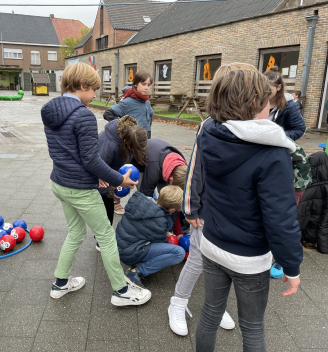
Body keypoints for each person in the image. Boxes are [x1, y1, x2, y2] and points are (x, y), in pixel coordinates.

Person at [194, 69, 302, 352]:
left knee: (209, 313)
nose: (272, 105)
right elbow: (280, 218)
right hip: (249, 257)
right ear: (254, 102)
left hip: (212, 243)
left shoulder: (208, 132)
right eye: (268, 100)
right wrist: (291, 265)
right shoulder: (273, 153)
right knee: (252, 326)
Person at [41, 62, 151, 306]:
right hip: (80, 189)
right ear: (82, 86)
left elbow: (69, 153)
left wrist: (94, 172)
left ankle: (60, 284)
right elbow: (91, 160)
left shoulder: (50, 111)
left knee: (76, 232)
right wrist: (119, 179)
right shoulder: (83, 116)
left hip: (60, 183)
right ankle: (121, 291)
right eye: (93, 91)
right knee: (106, 236)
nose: (94, 97)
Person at [168, 63, 256, 337]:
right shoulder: (209, 127)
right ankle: (177, 303)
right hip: (206, 209)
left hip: (233, 213)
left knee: (225, 262)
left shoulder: (253, 127)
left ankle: (214, 306)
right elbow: (195, 168)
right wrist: (191, 208)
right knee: (196, 258)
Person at [116, 186, 185, 289]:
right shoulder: (161, 221)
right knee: (178, 253)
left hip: (120, 245)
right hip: (129, 253)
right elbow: (163, 244)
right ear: (172, 209)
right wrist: (167, 234)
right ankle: (135, 273)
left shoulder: (142, 201)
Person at [98, 115, 148, 218]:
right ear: (126, 142)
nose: (135, 152)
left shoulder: (134, 135)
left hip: (112, 175)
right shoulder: (109, 146)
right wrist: (110, 192)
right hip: (101, 182)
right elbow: (99, 171)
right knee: (106, 216)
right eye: (133, 148)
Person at [103, 71, 154, 138]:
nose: (146, 88)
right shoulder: (128, 102)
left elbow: (150, 116)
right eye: (143, 84)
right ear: (135, 84)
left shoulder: (146, 102)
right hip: (133, 138)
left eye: (148, 85)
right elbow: (108, 114)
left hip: (145, 137)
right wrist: (124, 127)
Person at [264, 66, 306, 140]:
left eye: (268, 89)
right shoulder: (253, 102)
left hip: (277, 147)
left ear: (279, 87)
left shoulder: (290, 106)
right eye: (261, 88)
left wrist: (274, 137)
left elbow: (298, 130)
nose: (264, 92)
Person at [297, 151, 328, 252]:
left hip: (303, 220)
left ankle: (305, 240)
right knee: (317, 218)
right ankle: (310, 241)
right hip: (317, 226)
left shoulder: (304, 183)